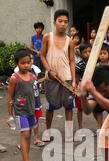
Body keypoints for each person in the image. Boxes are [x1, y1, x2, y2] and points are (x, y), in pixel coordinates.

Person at [40, 9, 76, 143]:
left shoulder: (70, 41)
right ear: (54, 22)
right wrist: (49, 70)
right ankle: (47, 131)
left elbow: (72, 61)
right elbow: (42, 55)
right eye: (60, 21)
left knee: (69, 106)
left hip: (66, 77)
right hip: (51, 78)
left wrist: (73, 80)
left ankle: (68, 134)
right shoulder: (47, 37)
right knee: (50, 106)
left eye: (66, 22)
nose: (63, 24)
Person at [8, 49, 40, 161]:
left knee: (29, 135)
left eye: (28, 62)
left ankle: (27, 158)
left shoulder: (32, 76)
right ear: (17, 64)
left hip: (31, 110)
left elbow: (34, 94)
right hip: (21, 112)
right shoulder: (14, 78)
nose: (26, 65)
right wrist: (10, 115)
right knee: (25, 135)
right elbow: (10, 97)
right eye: (23, 63)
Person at [75, 42, 92, 132]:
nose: (87, 54)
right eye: (85, 52)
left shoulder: (94, 62)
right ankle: (80, 127)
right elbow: (76, 74)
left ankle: (100, 126)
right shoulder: (80, 64)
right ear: (81, 54)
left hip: (92, 87)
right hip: (82, 87)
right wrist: (78, 84)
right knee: (80, 108)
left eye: (89, 51)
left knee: (96, 107)